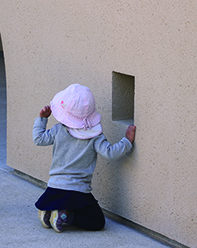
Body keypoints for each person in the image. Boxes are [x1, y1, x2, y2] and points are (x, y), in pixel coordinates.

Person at [33, 83, 136, 232]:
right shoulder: (95, 136)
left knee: (62, 200)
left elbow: (38, 139)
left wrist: (42, 119)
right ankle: (65, 216)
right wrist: (127, 141)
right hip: (78, 191)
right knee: (97, 221)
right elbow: (110, 153)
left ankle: (48, 211)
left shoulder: (58, 130)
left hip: (53, 188)